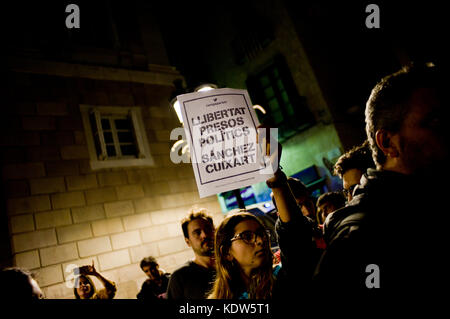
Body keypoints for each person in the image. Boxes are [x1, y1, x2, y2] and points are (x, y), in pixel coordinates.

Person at [268, 63, 449, 298]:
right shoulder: (361, 236)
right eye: (433, 122)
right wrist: (276, 181)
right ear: (387, 142)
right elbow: (302, 266)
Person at [208, 210, 312, 299]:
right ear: (226, 252)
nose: (260, 241)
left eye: (262, 234)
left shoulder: (281, 278)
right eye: (247, 236)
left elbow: (293, 232)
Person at [166, 208, 216, 299]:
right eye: (197, 232)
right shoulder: (180, 277)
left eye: (208, 229)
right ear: (188, 242)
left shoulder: (232, 265)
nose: (204, 235)